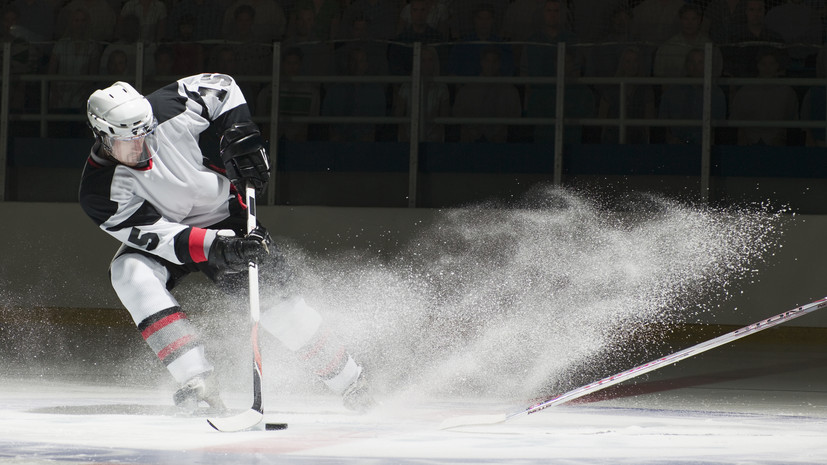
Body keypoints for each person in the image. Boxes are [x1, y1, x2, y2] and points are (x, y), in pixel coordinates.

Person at [78, 74, 373, 413]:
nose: (141, 147)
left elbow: (223, 86)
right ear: (101, 136)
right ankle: (197, 380)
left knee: (280, 309)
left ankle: (352, 383)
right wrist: (220, 248)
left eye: (146, 134)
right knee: (129, 272)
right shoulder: (99, 192)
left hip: (225, 215)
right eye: (128, 141)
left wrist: (240, 133)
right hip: (173, 232)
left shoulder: (168, 107)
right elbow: (166, 239)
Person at [730, 48, 799, 146]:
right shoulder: (745, 91)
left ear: (778, 65)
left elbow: (792, 121)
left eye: (772, 64)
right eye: (763, 64)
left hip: (778, 143)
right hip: (748, 142)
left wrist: (781, 139)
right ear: (757, 65)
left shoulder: (788, 92)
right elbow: (736, 121)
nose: (767, 68)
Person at [452, 45, 522, 143]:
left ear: (499, 63)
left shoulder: (510, 91)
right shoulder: (467, 89)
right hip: (471, 142)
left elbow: (515, 118)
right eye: (487, 61)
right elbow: (457, 115)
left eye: (494, 61)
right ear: (481, 62)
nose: (490, 65)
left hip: (499, 143)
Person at [658, 48, 727, 145]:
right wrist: (671, 140)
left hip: (706, 146)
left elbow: (719, 127)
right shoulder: (672, 92)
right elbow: (663, 122)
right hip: (676, 146)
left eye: (700, 62)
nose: (695, 67)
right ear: (686, 65)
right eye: (691, 62)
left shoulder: (716, 94)